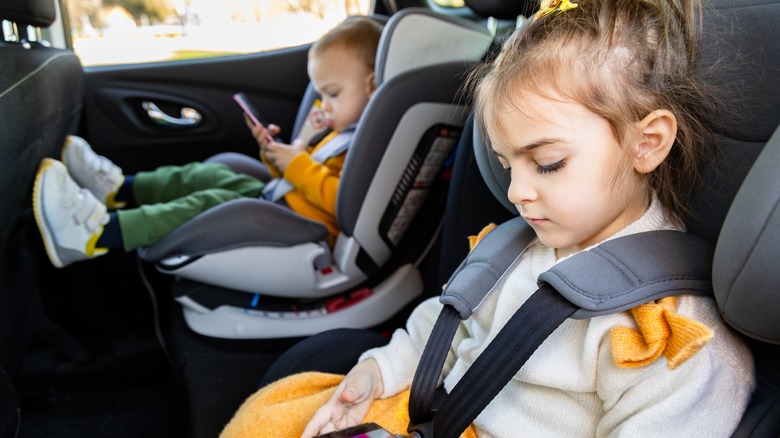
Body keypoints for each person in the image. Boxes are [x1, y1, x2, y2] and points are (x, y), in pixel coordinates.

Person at [219, 0, 756, 437]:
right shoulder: (515, 247)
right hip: (429, 408)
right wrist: (378, 371)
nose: (518, 192)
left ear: (647, 143)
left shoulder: (674, 339)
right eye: (506, 165)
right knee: (266, 417)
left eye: (547, 163)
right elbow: (446, 322)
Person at [32, 16, 383, 268]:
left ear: (371, 85)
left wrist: (295, 163)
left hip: (307, 225)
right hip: (283, 197)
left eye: (332, 94)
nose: (323, 105)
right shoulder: (340, 130)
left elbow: (341, 201)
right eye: (320, 93)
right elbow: (299, 173)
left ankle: (97, 234)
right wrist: (275, 153)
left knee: (209, 200)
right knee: (206, 175)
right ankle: (121, 188)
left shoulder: (365, 145)